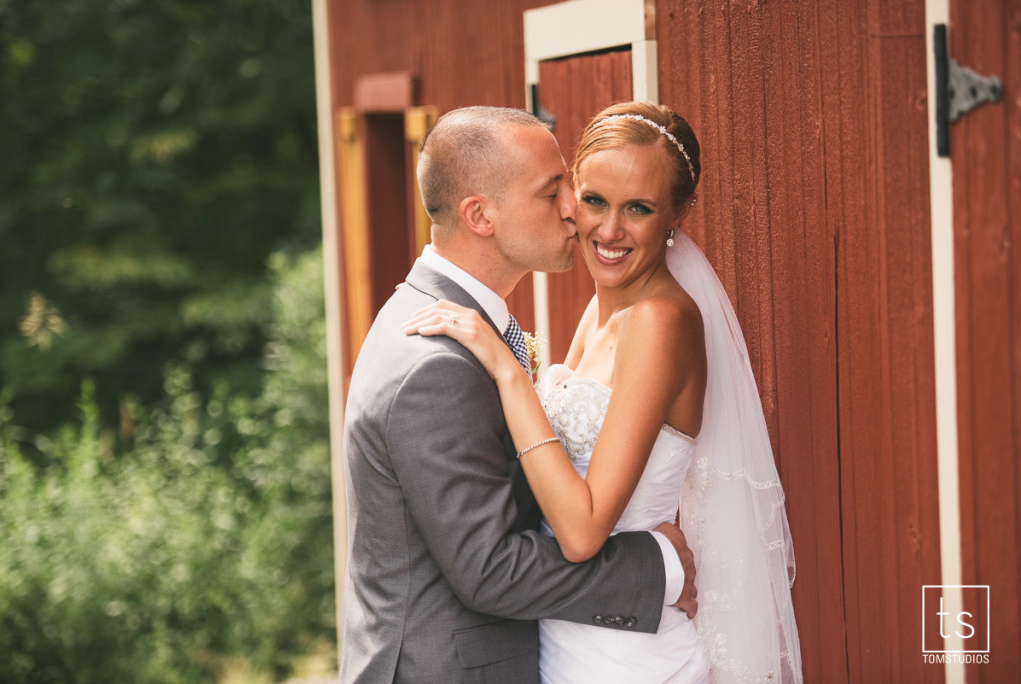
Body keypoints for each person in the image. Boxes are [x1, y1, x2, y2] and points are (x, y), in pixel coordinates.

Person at [406, 102, 802, 683]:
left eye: (637, 209)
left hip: (624, 656)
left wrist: (506, 369)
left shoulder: (660, 321)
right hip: (569, 632)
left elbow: (583, 529)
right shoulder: (601, 310)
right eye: (594, 201)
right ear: (570, 195)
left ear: (677, 213)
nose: (608, 231)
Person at [339, 105, 697, 684]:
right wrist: (658, 569)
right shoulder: (436, 363)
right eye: (554, 190)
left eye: (569, 187)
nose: (572, 212)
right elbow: (489, 570)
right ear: (480, 215)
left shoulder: (450, 323)